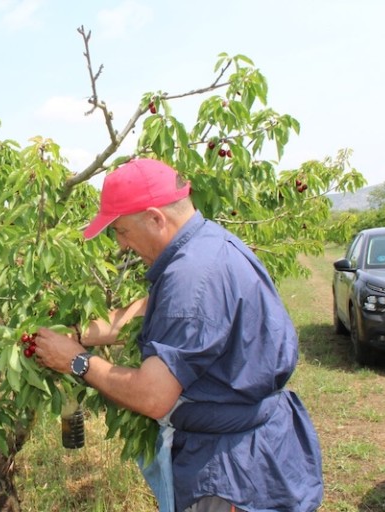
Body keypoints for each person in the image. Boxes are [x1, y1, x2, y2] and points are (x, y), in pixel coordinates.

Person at [34, 159, 324, 512]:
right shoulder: (208, 244)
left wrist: (76, 361)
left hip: (230, 472)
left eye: (123, 231)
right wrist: (79, 334)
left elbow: (153, 396)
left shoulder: (192, 276)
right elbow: (156, 309)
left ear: (156, 218)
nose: (122, 246)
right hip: (255, 448)